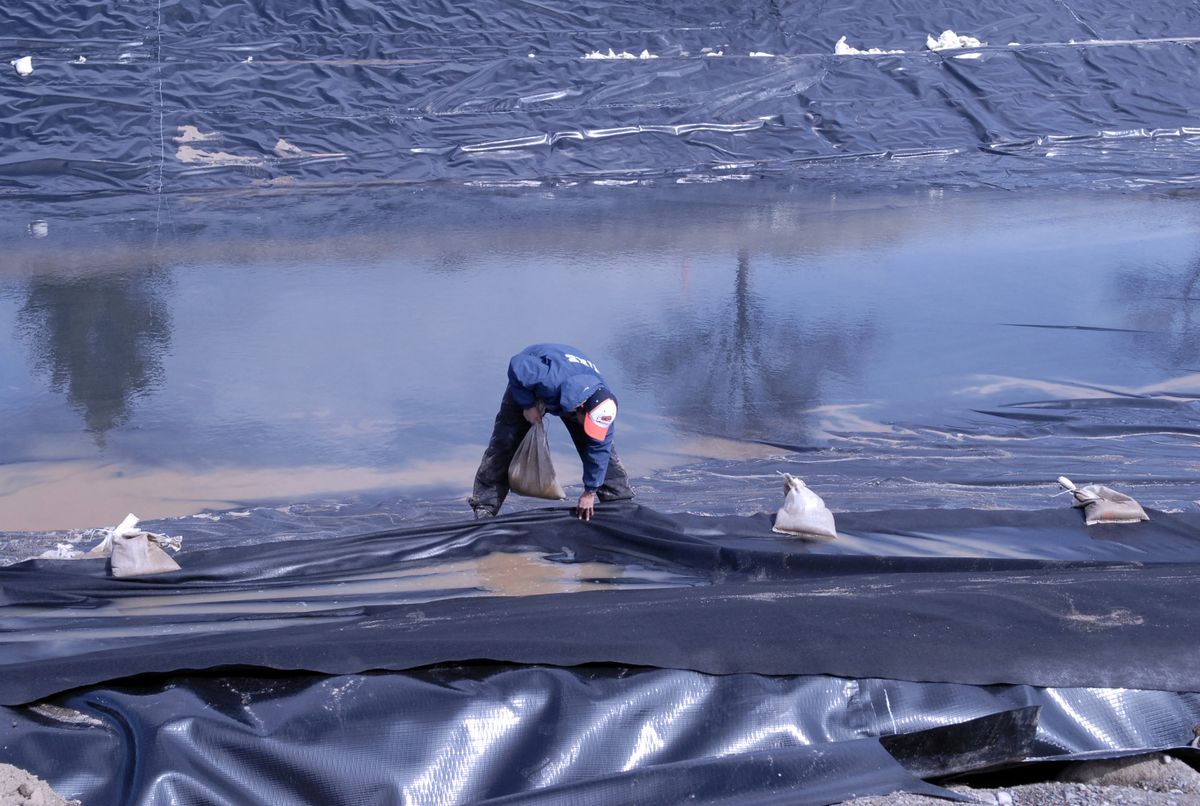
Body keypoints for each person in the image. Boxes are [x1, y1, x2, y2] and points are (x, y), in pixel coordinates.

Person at [470, 343, 635, 521]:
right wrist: (527, 405)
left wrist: (590, 491)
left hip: (575, 391)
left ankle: (620, 505)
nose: (590, 428)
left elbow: (599, 450)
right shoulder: (548, 379)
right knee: (503, 446)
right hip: (531, 386)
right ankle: (485, 509)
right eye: (588, 422)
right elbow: (517, 364)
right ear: (580, 409)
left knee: (602, 451)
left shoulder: (603, 407)